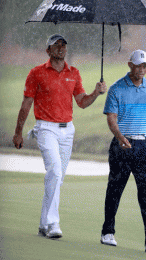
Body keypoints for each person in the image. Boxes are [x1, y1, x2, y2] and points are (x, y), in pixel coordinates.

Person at [13, 34, 107, 239]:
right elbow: (26, 104)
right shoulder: (36, 73)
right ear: (48, 51)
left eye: (63, 45)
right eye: (56, 45)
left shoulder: (73, 73)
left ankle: (42, 224)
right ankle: (53, 223)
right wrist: (18, 132)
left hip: (67, 131)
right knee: (54, 172)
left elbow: (82, 102)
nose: (61, 48)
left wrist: (96, 93)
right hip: (46, 128)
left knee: (57, 178)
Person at [100, 50, 146, 253]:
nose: (142, 69)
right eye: (138, 66)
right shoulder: (116, 89)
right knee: (115, 189)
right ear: (130, 65)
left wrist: (144, 139)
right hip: (121, 145)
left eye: (145, 66)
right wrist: (121, 137)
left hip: (144, 147)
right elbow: (111, 118)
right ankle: (107, 231)